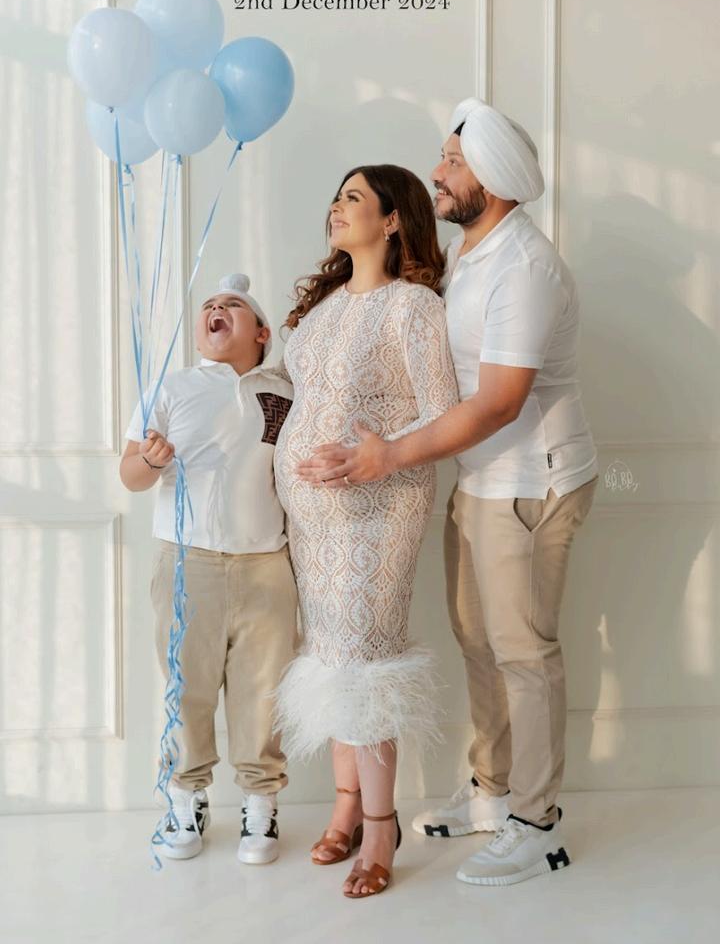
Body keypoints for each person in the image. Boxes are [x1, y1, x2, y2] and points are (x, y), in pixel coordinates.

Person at [297, 100, 599, 887]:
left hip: (530, 481)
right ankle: (493, 791)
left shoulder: (525, 268)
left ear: (492, 177)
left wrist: (388, 455)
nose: (438, 173)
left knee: (524, 651)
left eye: (454, 163)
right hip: (479, 480)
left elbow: (498, 402)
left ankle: (537, 822)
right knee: (478, 641)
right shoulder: (472, 254)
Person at [272, 165, 459, 898]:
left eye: (353, 197)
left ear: (392, 219)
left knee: (366, 663)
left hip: (380, 510)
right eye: (335, 196)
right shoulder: (320, 309)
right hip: (312, 522)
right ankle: (346, 806)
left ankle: (381, 826)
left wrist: (373, 458)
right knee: (329, 655)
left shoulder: (414, 308)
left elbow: (443, 415)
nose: (336, 207)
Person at [120, 273, 297, 865]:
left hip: (266, 563)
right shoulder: (171, 387)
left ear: (262, 332)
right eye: (209, 305)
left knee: (263, 692)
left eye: (233, 305)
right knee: (187, 687)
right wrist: (149, 460)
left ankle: (260, 806)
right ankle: (184, 798)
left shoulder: (285, 391)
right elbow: (130, 474)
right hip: (186, 562)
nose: (216, 309)